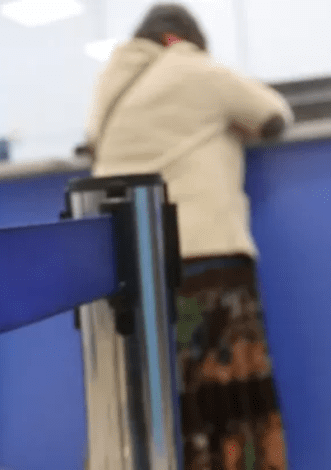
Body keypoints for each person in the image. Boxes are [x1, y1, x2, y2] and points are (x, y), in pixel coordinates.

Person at [83, 4, 293, 470]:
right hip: (204, 257)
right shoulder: (193, 69)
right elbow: (274, 116)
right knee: (223, 396)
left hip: (128, 263)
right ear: (182, 40)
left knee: (154, 401)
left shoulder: (109, 83)